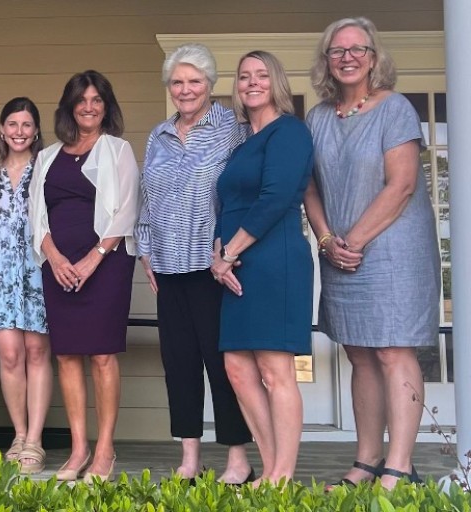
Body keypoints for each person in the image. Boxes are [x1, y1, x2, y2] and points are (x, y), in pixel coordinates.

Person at [305, 17, 439, 489]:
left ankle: (398, 466)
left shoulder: (394, 108)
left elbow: (401, 184)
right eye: (337, 50)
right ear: (326, 60)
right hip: (338, 249)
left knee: (392, 351)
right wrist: (327, 240)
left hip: (391, 250)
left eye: (357, 49)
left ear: (373, 57)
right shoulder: (318, 118)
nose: (347, 57)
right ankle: (365, 462)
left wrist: (354, 241)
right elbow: (309, 187)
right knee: (359, 353)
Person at [136, 43, 253, 485]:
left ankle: (238, 458)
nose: (185, 90)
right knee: (180, 363)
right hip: (167, 264)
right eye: (178, 82)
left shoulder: (230, 128)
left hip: (213, 266)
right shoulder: (158, 134)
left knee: (222, 363)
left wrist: (231, 249)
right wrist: (146, 250)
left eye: (194, 81)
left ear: (210, 84)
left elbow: (241, 191)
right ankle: (190, 457)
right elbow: (148, 198)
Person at [29, 70, 139, 482]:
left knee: (102, 354)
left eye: (97, 100)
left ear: (106, 106)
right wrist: (54, 258)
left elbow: (127, 210)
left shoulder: (118, 150)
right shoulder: (47, 156)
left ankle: (105, 450)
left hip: (106, 264)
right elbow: (36, 217)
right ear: (69, 106)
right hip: (58, 266)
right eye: (82, 100)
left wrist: (93, 258)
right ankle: (78, 449)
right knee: (67, 354)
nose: (89, 107)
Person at [211, 50, 313, 486]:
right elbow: (227, 202)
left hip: (274, 260)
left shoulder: (288, 132)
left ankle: (283, 476)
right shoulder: (240, 141)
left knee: (275, 369)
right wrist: (218, 258)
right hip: (234, 263)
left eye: (261, 76)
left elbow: (274, 199)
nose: (251, 83)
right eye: (244, 76)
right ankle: (271, 469)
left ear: (276, 83)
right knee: (237, 366)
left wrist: (230, 251)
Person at [0, 97, 50, 474]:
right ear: (2, 129)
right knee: (9, 355)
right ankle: (18, 434)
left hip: (37, 269)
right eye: (12, 124)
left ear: (36, 130)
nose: (19, 131)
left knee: (37, 352)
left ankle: (35, 441)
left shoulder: (48, 167)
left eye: (26, 125)